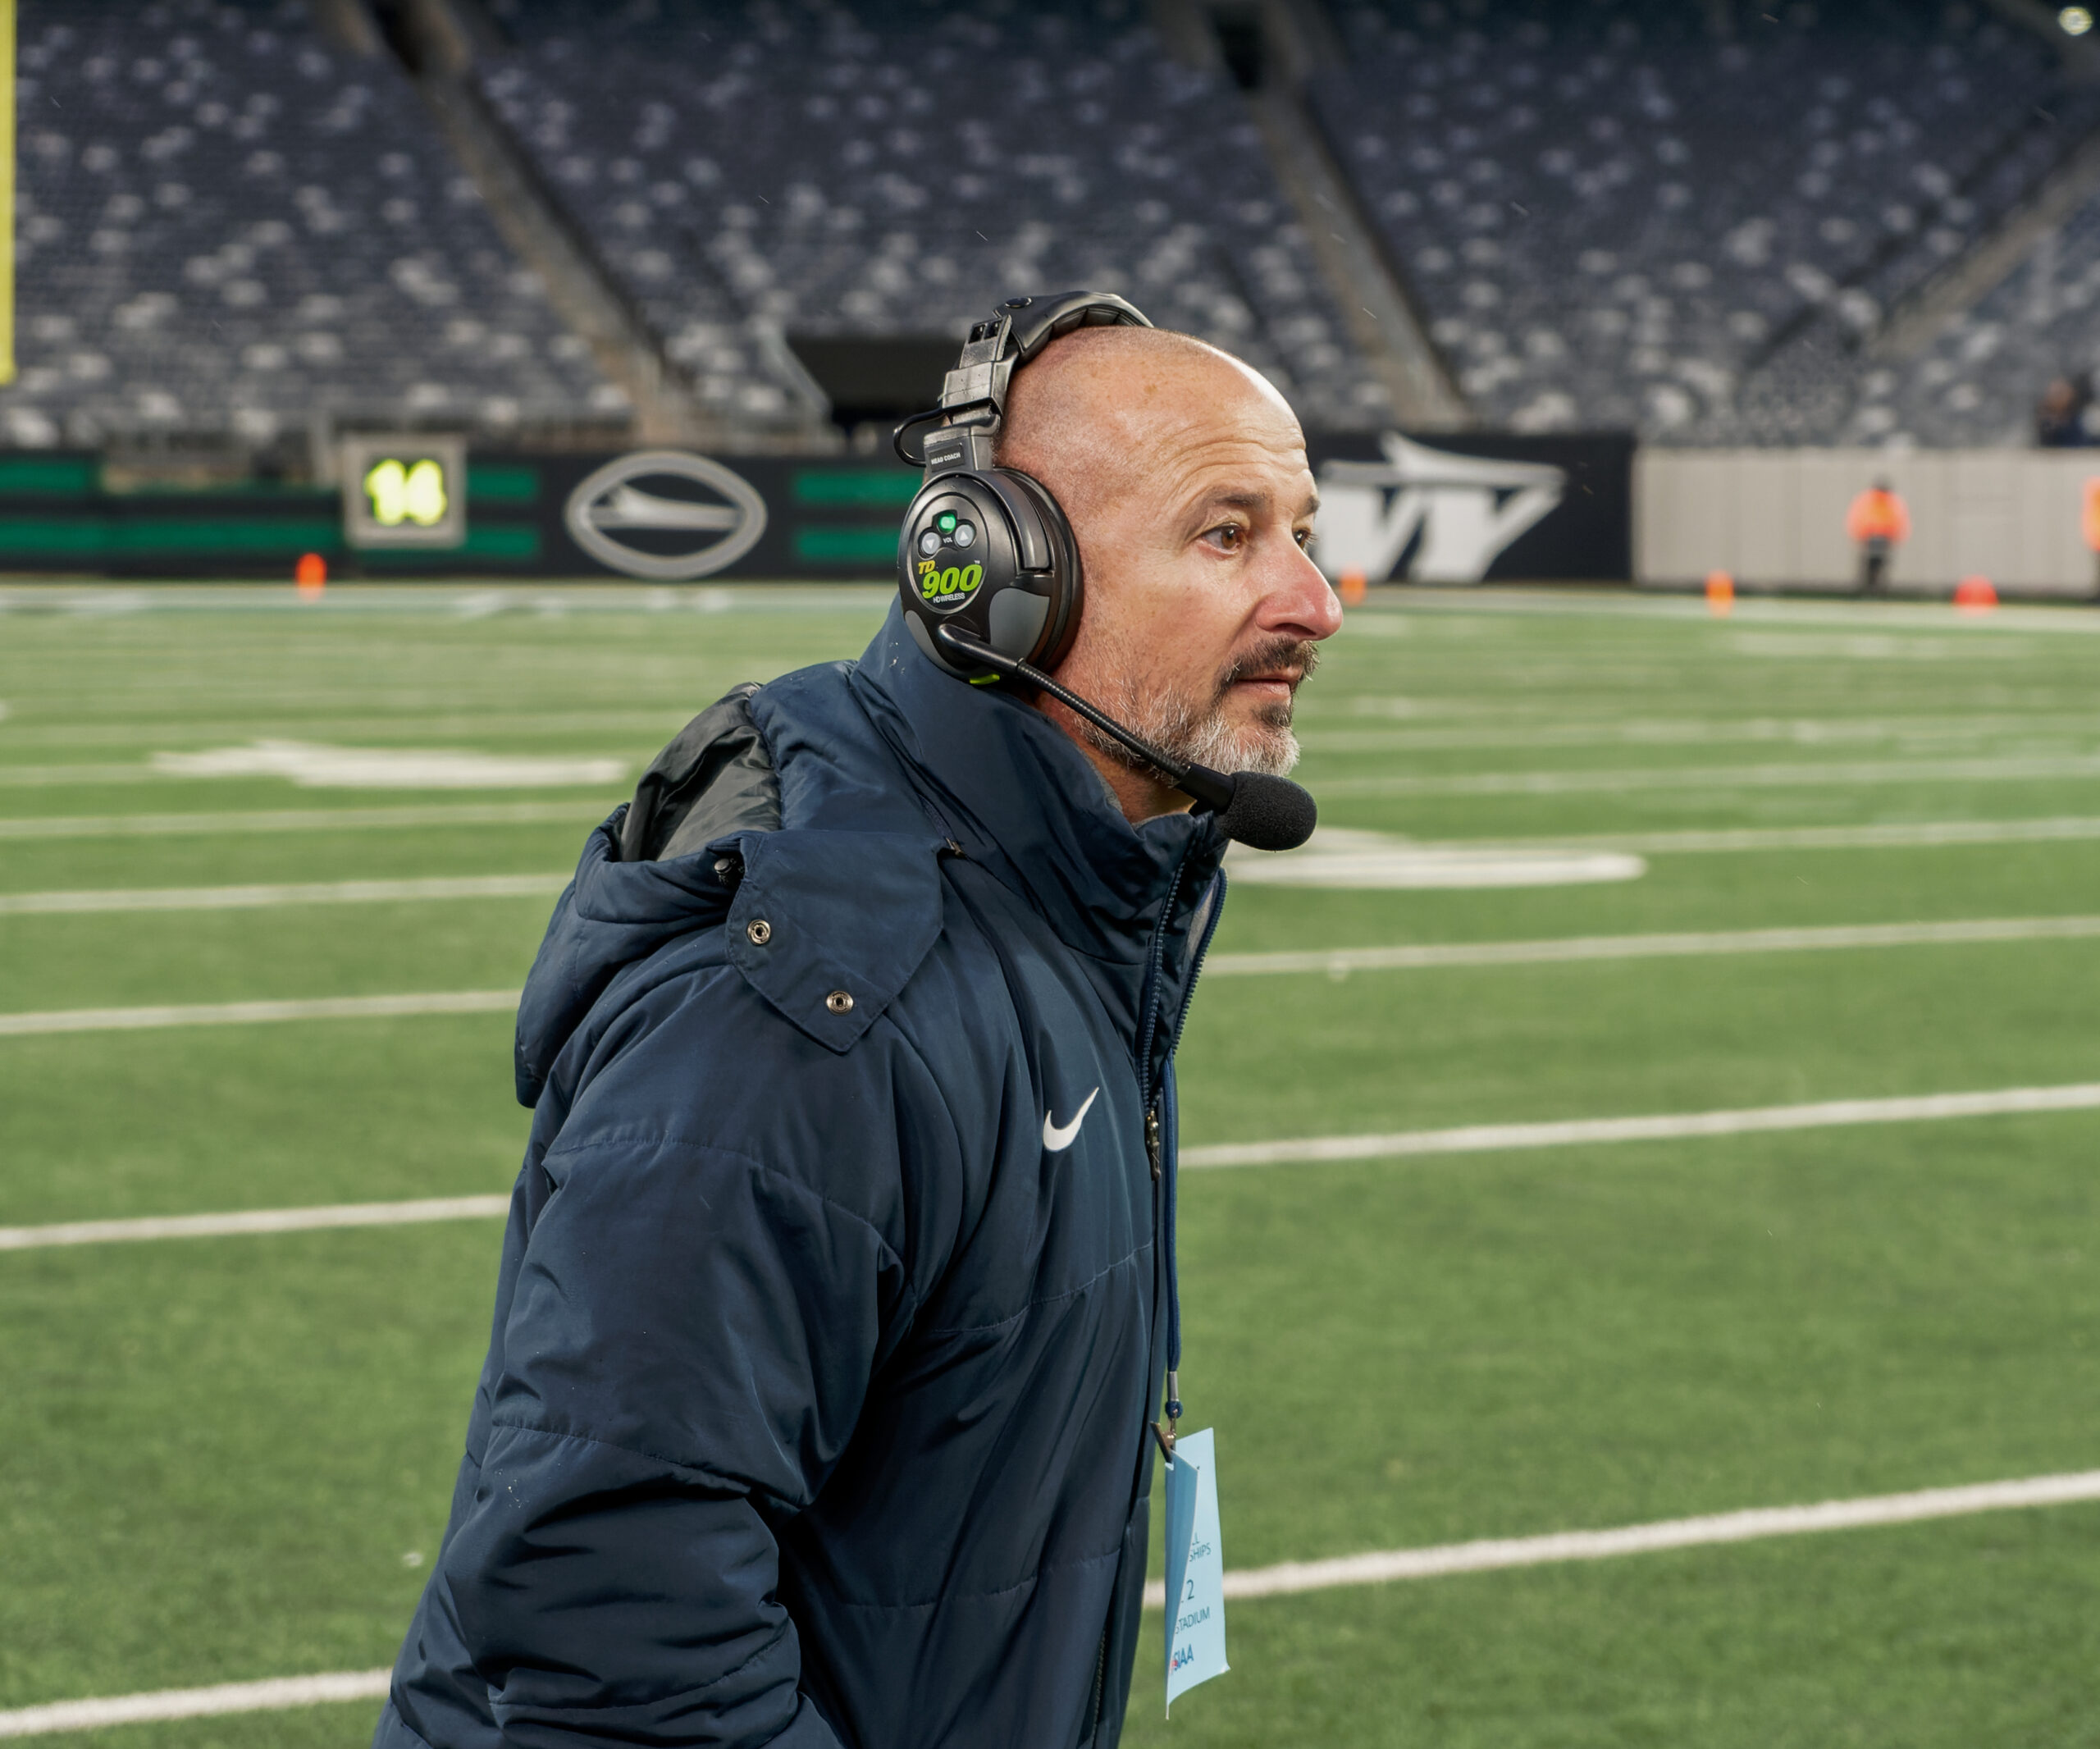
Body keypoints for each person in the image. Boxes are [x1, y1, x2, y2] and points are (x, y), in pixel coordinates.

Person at [372, 299, 1340, 1749]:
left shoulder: (1071, 901)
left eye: (1303, 531)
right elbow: (608, 1625)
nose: (1315, 601)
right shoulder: (808, 996)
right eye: (1227, 534)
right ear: (1000, 574)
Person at [1845, 477, 1910, 596]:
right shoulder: (1882, 501)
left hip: (1881, 536)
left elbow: (1898, 520)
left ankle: (1873, 589)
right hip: (1873, 536)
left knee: (1877, 563)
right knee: (1873, 563)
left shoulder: (1883, 501)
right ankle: (1871, 588)